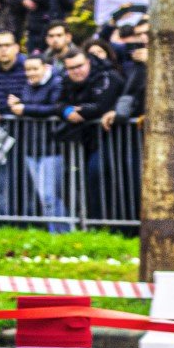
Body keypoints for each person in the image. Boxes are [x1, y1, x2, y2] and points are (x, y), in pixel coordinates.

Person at [8, 53, 68, 232]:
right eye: (28, 70)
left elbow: (55, 108)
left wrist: (25, 108)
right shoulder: (28, 86)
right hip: (32, 147)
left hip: (52, 147)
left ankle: (63, 232)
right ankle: (55, 231)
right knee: (43, 196)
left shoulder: (56, 84)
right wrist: (18, 103)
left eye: (35, 69)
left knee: (49, 195)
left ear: (46, 68)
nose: (31, 73)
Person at [57, 49, 119, 220]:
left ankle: (103, 222)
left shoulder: (107, 77)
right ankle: (89, 222)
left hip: (109, 139)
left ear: (88, 63)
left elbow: (102, 105)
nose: (77, 71)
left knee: (98, 176)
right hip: (83, 139)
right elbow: (58, 103)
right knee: (79, 179)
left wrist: (82, 111)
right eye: (71, 68)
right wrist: (67, 111)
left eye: (80, 66)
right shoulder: (66, 81)